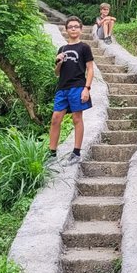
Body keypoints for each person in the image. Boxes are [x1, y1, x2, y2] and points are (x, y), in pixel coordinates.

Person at [49, 16, 94, 165]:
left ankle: (76, 153)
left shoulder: (84, 48)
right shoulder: (62, 49)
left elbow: (90, 69)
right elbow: (57, 73)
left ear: (80, 29)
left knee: (77, 118)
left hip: (78, 86)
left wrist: (86, 89)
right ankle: (52, 154)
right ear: (66, 30)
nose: (73, 29)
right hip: (62, 88)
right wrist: (59, 62)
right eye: (70, 27)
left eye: (76, 26)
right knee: (55, 119)